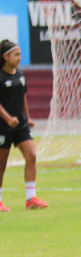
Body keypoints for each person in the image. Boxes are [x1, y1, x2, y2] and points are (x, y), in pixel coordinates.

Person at [0, 39, 47, 211]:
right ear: (5, 57)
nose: (19, 58)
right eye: (16, 55)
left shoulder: (20, 74)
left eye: (20, 54)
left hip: (20, 125)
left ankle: (30, 198)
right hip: (3, 126)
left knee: (32, 156)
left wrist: (28, 117)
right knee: (1, 164)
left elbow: (22, 97)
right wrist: (7, 118)